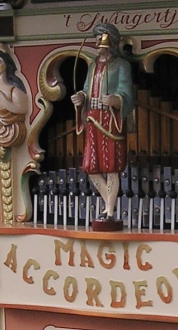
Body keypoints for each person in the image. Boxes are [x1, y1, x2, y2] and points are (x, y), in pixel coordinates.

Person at [71, 23, 134, 223]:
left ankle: (109, 212)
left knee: (111, 166)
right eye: (97, 38)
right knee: (91, 167)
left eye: (102, 37)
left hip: (110, 119)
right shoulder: (93, 66)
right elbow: (87, 89)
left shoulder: (121, 65)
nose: (98, 42)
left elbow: (127, 92)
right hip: (92, 118)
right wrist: (81, 97)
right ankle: (109, 206)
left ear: (111, 41)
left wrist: (117, 99)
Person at [0, 49, 28, 148]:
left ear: (6, 65)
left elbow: (22, 109)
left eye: (0, 62)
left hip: (9, 132)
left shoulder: (14, 90)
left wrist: (2, 98)